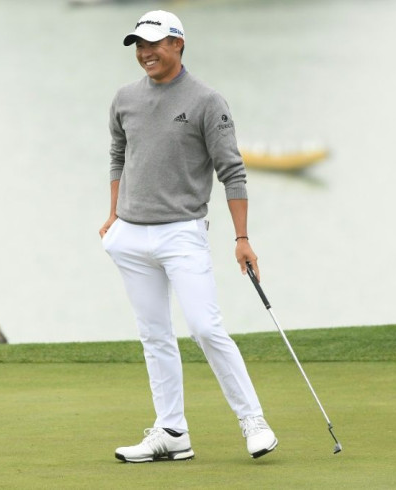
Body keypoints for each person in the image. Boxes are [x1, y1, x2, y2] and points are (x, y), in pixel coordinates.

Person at [99, 10, 277, 463]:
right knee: (154, 334)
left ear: (178, 44)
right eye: (138, 45)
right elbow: (119, 156)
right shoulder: (123, 98)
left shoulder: (206, 101)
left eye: (153, 44)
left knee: (204, 327)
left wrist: (242, 238)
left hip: (182, 233)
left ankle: (253, 421)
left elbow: (232, 172)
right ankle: (172, 432)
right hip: (132, 237)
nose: (144, 53)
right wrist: (113, 214)